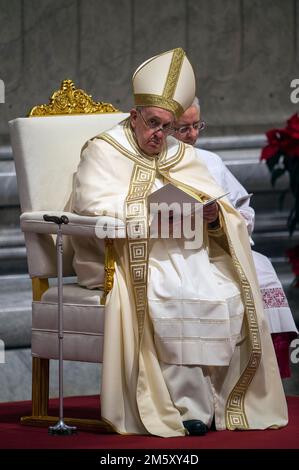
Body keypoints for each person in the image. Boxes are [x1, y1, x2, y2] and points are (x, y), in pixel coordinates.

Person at [71, 48, 288, 437]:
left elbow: (219, 204)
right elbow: (93, 207)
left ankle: (217, 404)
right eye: (153, 123)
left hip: (186, 249)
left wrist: (212, 216)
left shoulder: (176, 151)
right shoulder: (103, 150)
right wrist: (152, 216)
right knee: (172, 289)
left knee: (227, 288)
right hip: (123, 255)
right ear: (134, 115)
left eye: (168, 127)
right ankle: (181, 406)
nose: (160, 135)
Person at [173, 98, 298, 378]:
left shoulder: (210, 161)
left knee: (262, 268)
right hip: (174, 251)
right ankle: (206, 382)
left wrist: (219, 217)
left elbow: (244, 210)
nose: (192, 135)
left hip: (219, 245)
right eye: (183, 129)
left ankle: (258, 378)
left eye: (197, 126)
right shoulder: (150, 167)